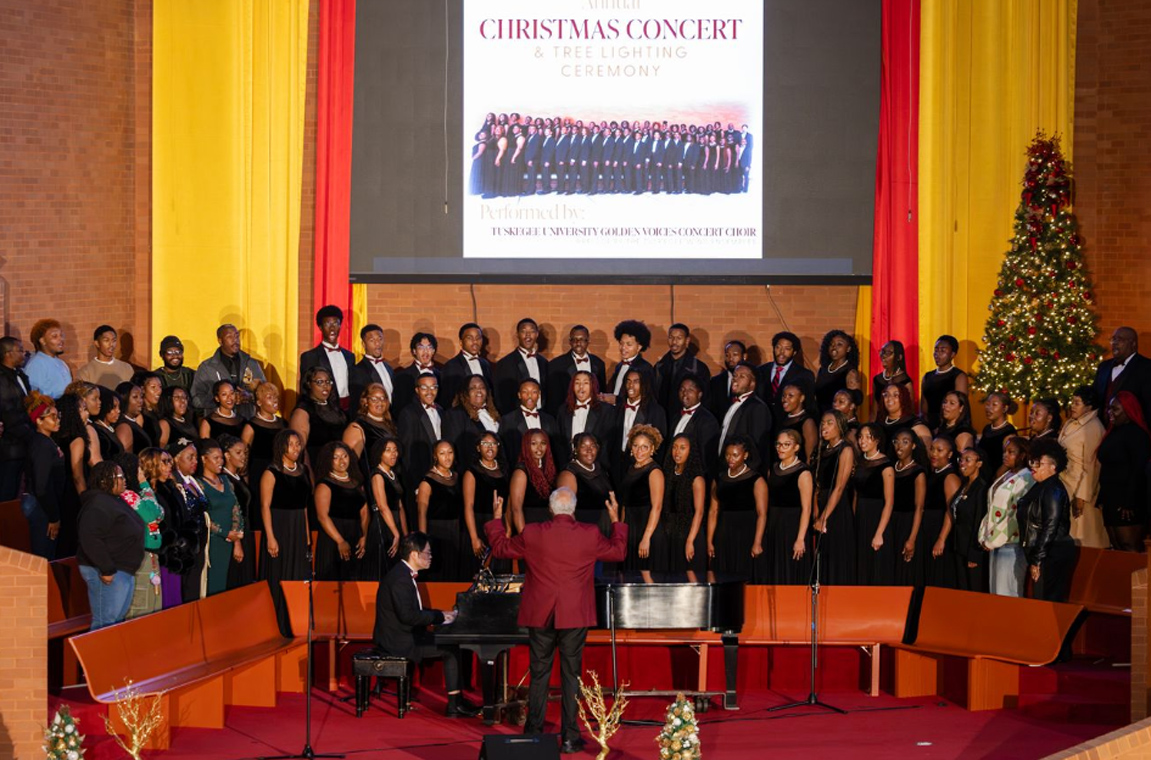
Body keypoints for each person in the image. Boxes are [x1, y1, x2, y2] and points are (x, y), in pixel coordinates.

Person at [485, 487, 627, 751]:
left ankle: (534, 734)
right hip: (575, 615)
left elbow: (501, 549)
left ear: (551, 509)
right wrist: (616, 521)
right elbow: (618, 552)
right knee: (571, 675)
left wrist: (496, 519)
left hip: (541, 614)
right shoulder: (589, 533)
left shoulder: (533, 532)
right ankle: (570, 738)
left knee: (539, 674)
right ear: (573, 509)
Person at [372, 531, 479, 718]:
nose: (431, 557)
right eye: (428, 553)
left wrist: (441, 614)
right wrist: (439, 617)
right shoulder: (400, 579)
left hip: (403, 634)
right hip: (399, 641)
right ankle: (455, 705)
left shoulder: (402, 574)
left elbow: (413, 611)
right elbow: (408, 616)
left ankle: (457, 701)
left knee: (450, 643)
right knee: (451, 648)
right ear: (414, 554)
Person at [76, 461, 145, 630]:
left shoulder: (112, 500)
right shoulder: (97, 504)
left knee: (116, 621)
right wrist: (106, 569)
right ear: (104, 480)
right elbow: (90, 538)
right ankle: (95, 649)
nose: (124, 480)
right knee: (105, 622)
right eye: (119, 477)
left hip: (122, 569)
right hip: (108, 571)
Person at [260, 429, 312, 635]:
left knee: (298, 575)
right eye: (291, 444)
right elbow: (265, 506)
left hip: (298, 527)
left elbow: (305, 506)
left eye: (298, 444)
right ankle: (276, 624)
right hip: (279, 528)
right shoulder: (271, 472)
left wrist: (307, 536)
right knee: (279, 574)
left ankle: (295, 623)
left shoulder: (303, 471)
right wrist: (270, 537)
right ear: (282, 446)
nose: (296, 448)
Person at [1019, 438, 1077, 601]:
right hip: (1043, 552)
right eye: (1032, 461)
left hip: (1052, 554)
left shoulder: (1053, 489)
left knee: (1046, 600)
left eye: (1039, 463)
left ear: (1053, 466)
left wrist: (1038, 559)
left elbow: (1050, 526)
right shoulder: (1040, 486)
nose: (1033, 466)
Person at [1095, 391, 1151, 551]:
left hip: (1128, 499)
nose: (1110, 412)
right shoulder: (1113, 432)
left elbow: (1138, 469)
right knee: (1117, 546)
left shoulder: (1137, 434)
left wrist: (1130, 501)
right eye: (1109, 408)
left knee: (1129, 545)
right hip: (1111, 496)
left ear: (1128, 411)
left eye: (1115, 409)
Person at [979, 436, 1034, 596]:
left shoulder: (1026, 477)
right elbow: (992, 508)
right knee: (995, 592)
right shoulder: (1007, 474)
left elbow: (1014, 514)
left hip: (1011, 543)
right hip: (994, 542)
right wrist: (984, 535)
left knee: (1007, 593)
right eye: (1005, 451)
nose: (1005, 455)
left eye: (1011, 452)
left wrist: (993, 540)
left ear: (1022, 455)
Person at [708, 437, 768, 582]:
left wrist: (757, 542)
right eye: (728, 455)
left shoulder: (756, 480)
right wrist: (710, 541)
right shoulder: (719, 478)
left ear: (745, 455)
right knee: (722, 574)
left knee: (744, 573)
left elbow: (762, 514)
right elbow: (713, 511)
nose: (730, 459)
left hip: (747, 533)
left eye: (735, 455)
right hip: (723, 533)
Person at [116, 451, 164, 618]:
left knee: (154, 605)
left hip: (148, 555)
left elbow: (160, 514)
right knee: (142, 608)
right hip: (139, 557)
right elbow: (153, 514)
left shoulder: (137, 495)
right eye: (139, 469)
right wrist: (144, 484)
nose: (142, 472)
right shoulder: (127, 495)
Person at [1058, 386, 1107, 548]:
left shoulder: (1093, 427)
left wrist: (1081, 496)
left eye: (1077, 403)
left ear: (1089, 406)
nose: (1072, 406)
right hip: (1066, 483)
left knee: (1083, 535)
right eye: (1072, 402)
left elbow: (1092, 464)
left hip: (1081, 487)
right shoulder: (1071, 423)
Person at [313, 441, 368, 581]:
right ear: (328, 460)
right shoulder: (324, 485)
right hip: (333, 539)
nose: (341, 461)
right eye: (336, 457)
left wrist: (364, 536)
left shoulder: (357, 483)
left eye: (344, 456)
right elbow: (322, 516)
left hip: (355, 535)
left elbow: (364, 511)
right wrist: (340, 541)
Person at [765, 430, 813, 584]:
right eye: (778, 444)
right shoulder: (772, 469)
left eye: (786, 444)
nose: (781, 448)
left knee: (791, 570)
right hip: (775, 526)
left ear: (796, 447)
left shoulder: (803, 473)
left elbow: (807, 509)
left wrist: (800, 539)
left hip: (793, 527)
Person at [813, 411, 856, 584]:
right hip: (822, 504)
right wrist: (817, 513)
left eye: (829, 423)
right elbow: (817, 486)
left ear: (840, 426)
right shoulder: (821, 450)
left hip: (836, 507)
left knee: (837, 555)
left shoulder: (845, 449)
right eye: (823, 422)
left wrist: (824, 517)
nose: (824, 426)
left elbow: (839, 487)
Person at [190, 324, 266, 419]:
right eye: (229, 337)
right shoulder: (207, 367)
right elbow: (196, 399)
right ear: (220, 341)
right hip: (218, 422)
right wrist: (221, 399)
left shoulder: (251, 364)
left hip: (246, 421)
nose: (235, 340)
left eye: (236, 336)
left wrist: (250, 397)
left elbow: (265, 393)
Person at [616, 425, 665, 571]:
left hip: (647, 528)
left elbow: (657, 507)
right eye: (636, 446)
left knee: (645, 574)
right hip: (630, 528)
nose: (639, 451)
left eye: (644, 447)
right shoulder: (631, 468)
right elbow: (625, 504)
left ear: (652, 449)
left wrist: (646, 538)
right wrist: (621, 532)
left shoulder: (654, 471)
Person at [461, 432, 509, 577]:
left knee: (500, 571)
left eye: (493, 444)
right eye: (485, 444)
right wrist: (474, 538)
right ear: (478, 448)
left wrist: (508, 530)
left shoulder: (505, 471)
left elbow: (509, 504)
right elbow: (468, 506)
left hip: (500, 525)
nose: (490, 447)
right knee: (480, 573)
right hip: (479, 525)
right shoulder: (471, 472)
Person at [852, 424, 895, 585]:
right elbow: (856, 495)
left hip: (877, 517)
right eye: (860, 437)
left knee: (876, 563)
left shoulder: (886, 466)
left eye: (867, 437)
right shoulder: (859, 463)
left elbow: (889, 502)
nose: (862, 441)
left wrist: (879, 533)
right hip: (861, 516)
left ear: (877, 440)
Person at [23, 393, 64, 559]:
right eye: (52, 416)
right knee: (43, 556)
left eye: (58, 415)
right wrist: (54, 517)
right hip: (41, 508)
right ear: (39, 420)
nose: (57, 420)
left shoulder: (46, 442)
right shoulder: (42, 445)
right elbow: (42, 486)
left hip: (42, 506)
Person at [416, 441, 464, 581]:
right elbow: (421, 513)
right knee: (438, 572)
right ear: (435, 456)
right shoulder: (427, 481)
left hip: (455, 530)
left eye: (450, 452)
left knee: (453, 570)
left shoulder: (457, 477)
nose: (447, 457)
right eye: (442, 453)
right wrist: (423, 541)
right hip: (436, 532)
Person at [660, 433, 707, 573]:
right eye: (674, 447)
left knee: (691, 577)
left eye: (682, 448)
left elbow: (699, 512)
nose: (677, 452)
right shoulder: (667, 473)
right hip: (671, 533)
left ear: (690, 451)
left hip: (690, 533)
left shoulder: (696, 478)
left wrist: (690, 541)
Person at [398, 373, 444, 514]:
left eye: (433, 387)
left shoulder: (441, 410)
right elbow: (407, 453)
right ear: (417, 390)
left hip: (440, 476)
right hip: (421, 478)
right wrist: (417, 484)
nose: (430, 392)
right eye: (424, 388)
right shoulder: (408, 413)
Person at [609, 371, 666, 480]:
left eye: (636, 382)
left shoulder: (656, 411)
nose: (631, 385)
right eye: (628, 381)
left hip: (642, 468)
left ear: (643, 385)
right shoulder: (617, 408)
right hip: (617, 467)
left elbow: (659, 445)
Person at [299, 305, 357, 410]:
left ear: (340, 326)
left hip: (348, 410)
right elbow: (305, 390)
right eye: (327, 324)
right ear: (320, 327)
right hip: (323, 410)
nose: (332, 328)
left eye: (336, 323)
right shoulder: (309, 356)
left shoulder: (350, 356)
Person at [717, 363, 772, 471]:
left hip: (743, 473)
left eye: (742, 376)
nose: (735, 379)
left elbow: (757, 446)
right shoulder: (732, 404)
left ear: (752, 383)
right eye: (735, 375)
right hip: (726, 470)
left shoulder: (757, 407)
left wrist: (746, 475)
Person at [290, 366, 348, 469]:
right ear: (309, 384)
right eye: (319, 382)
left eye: (328, 382)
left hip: (339, 466)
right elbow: (299, 449)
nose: (325, 386)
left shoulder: (335, 409)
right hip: (316, 465)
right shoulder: (303, 411)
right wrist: (308, 472)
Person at [367, 437, 409, 578]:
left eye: (395, 450)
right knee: (383, 567)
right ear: (380, 453)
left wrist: (405, 534)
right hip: (384, 524)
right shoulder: (377, 475)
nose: (393, 454)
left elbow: (400, 506)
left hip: (396, 523)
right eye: (388, 450)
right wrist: (395, 533)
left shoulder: (393, 475)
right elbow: (382, 506)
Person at [948, 447, 988, 592]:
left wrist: (974, 554)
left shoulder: (981, 488)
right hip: (959, 546)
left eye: (968, 460)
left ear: (979, 464)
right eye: (961, 459)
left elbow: (978, 522)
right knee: (962, 589)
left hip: (972, 550)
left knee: (974, 590)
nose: (962, 463)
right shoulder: (964, 485)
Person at [890, 430, 927, 586]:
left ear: (913, 446)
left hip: (908, 523)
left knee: (905, 571)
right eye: (896, 441)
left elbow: (919, 508)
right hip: (890, 524)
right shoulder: (890, 468)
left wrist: (911, 539)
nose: (899, 446)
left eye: (905, 442)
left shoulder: (918, 472)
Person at [1093, 326, 1151, 426]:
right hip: (1102, 429)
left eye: (1119, 340)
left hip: (1130, 431)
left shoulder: (1146, 367)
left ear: (1133, 343)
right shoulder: (1104, 367)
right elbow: (1096, 397)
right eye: (1113, 339)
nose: (1114, 343)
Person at [498, 378, 559, 472]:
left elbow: (556, 448)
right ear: (519, 395)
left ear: (539, 394)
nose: (529, 396)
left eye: (534, 392)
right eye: (525, 392)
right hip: (520, 471)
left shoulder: (549, 420)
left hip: (546, 471)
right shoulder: (508, 420)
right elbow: (504, 451)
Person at [923, 437, 961, 588]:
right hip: (929, 529)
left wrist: (941, 539)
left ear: (950, 454)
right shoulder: (934, 474)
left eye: (939, 450)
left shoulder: (950, 477)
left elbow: (951, 510)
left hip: (940, 529)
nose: (934, 454)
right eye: (932, 449)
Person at [219, 435, 256, 589]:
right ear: (227, 455)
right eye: (238, 453)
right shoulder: (223, 479)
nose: (243, 457)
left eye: (245, 453)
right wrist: (237, 542)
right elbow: (229, 511)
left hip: (245, 530)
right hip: (235, 533)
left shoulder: (238, 477)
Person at [545, 325, 607, 416]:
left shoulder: (599, 364)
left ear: (588, 341)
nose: (578, 343)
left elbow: (602, 392)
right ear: (570, 342)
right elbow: (553, 400)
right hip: (567, 415)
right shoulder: (556, 365)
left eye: (582, 339)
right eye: (574, 339)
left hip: (594, 416)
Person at [343, 383, 399, 482]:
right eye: (374, 399)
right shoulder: (357, 427)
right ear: (365, 402)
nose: (379, 402)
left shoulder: (390, 423)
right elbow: (350, 463)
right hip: (372, 480)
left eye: (382, 398)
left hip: (393, 478)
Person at [653, 324, 711, 419]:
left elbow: (705, 400)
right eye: (671, 337)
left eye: (679, 338)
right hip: (661, 419)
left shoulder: (699, 368)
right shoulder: (659, 366)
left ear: (687, 340)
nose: (674, 342)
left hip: (687, 419)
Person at [554, 371, 611, 466]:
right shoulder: (563, 410)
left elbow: (607, 443)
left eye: (585, 383)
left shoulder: (606, 410)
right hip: (569, 466)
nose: (581, 387)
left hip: (596, 466)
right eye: (577, 383)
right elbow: (559, 442)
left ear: (592, 386)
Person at [241, 381, 285, 505]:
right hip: (258, 473)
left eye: (276, 396)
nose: (275, 400)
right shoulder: (251, 426)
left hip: (280, 472)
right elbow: (244, 454)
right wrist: (245, 478)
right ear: (259, 402)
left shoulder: (284, 423)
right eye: (270, 397)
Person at [0, 336, 32, 500]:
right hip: (10, 447)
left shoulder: (20, 374)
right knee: (7, 492)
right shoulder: (2, 379)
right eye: (20, 350)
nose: (24, 353)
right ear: (8, 354)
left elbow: (28, 405)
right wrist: (32, 435)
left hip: (23, 443)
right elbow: (9, 413)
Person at [494, 319, 549, 414]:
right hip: (516, 417)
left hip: (541, 415)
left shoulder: (544, 362)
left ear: (537, 334)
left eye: (532, 331)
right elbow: (501, 398)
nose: (528, 335)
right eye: (524, 331)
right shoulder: (505, 363)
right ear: (517, 335)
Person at [758, 331, 815, 419]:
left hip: (788, 422)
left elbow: (809, 405)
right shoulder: (760, 371)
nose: (781, 352)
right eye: (778, 347)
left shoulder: (804, 375)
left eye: (787, 349)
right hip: (761, 420)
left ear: (794, 352)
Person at [508, 430, 558, 532]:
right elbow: (516, 509)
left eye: (543, 443)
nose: (539, 448)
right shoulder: (521, 472)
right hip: (529, 528)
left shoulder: (548, 469)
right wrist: (524, 536)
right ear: (526, 446)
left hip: (546, 528)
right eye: (534, 444)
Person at [671, 375, 721, 476]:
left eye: (690, 390)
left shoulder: (707, 420)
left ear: (699, 394)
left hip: (693, 476)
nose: (685, 393)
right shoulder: (676, 417)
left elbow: (706, 457)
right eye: (682, 389)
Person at [920, 335, 970, 429]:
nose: (937, 354)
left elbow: (960, 407)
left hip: (950, 427)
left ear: (952, 354)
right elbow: (924, 408)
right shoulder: (927, 377)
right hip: (930, 426)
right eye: (936, 350)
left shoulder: (959, 376)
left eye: (942, 351)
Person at [603, 320, 654, 406]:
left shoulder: (645, 368)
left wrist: (616, 400)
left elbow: (646, 398)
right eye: (621, 343)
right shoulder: (619, 366)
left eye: (629, 344)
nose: (623, 347)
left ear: (639, 347)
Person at [440, 323, 494, 406]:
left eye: (478, 338)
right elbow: (448, 397)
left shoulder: (485, 364)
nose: (475, 342)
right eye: (470, 338)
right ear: (461, 342)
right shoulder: (451, 366)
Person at [347, 324, 396, 411]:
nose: (377, 343)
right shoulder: (357, 370)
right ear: (363, 344)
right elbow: (356, 403)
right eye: (372, 340)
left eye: (380, 339)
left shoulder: (388, 368)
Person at [393, 332, 441, 418]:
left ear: (433, 351)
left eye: (429, 347)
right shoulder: (402, 377)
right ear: (414, 351)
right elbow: (399, 407)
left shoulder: (441, 375)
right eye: (421, 347)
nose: (425, 351)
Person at [814, 330, 862, 413]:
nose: (834, 347)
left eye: (839, 344)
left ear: (848, 348)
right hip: (820, 416)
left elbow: (855, 401)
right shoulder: (823, 369)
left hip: (839, 417)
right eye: (831, 344)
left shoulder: (851, 372)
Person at [24, 319, 72, 399]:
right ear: (42, 341)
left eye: (61, 335)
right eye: (54, 336)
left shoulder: (62, 363)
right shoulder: (36, 365)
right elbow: (34, 397)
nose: (61, 339)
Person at [76, 325, 134, 390]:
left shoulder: (127, 368)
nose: (111, 344)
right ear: (97, 343)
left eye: (114, 340)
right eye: (106, 340)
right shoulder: (85, 372)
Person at [977, 392, 1018, 481]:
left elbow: (1008, 463)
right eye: (988, 404)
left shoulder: (1008, 433)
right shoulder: (987, 429)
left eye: (994, 405)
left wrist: (995, 478)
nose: (989, 408)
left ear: (1004, 408)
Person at [880, 383, 933, 451]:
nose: (890, 398)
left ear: (904, 398)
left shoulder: (916, 425)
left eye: (896, 395)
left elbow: (928, 453)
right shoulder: (879, 422)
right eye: (886, 395)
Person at [773, 384, 818, 463]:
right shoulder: (782, 419)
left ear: (801, 398)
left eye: (790, 396)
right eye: (784, 396)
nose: (785, 399)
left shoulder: (807, 422)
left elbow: (810, 456)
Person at [871, 341, 914, 420]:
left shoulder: (905, 381)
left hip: (899, 423)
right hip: (880, 423)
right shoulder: (877, 379)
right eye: (882, 352)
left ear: (899, 357)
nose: (883, 356)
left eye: (888, 353)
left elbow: (910, 411)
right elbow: (874, 411)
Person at [708, 340, 748, 420]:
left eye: (735, 355)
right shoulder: (715, 382)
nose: (730, 359)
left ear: (744, 356)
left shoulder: (752, 381)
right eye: (727, 355)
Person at [113, 381, 151, 453]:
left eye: (141, 396)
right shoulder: (123, 426)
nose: (140, 401)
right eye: (135, 397)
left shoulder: (132, 422)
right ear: (124, 398)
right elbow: (126, 457)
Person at [91, 387, 124, 462]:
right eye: (114, 407)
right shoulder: (98, 432)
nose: (118, 411)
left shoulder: (109, 429)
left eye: (119, 407)